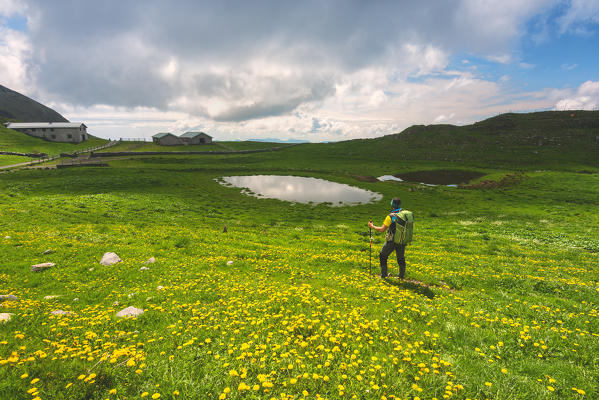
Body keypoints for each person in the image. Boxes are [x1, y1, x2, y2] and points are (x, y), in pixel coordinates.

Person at [368, 197, 412, 279]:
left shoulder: (390, 216)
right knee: (400, 258)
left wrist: (372, 226)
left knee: (383, 255)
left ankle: (384, 275)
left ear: (392, 205)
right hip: (402, 239)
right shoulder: (405, 214)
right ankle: (401, 276)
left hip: (392, 241)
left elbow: (382, 229)